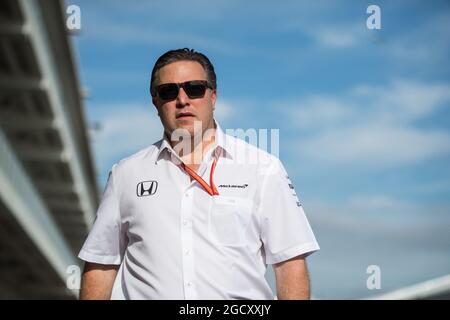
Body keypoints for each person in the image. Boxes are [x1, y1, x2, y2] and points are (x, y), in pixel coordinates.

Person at [78, 48, 319, 300]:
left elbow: (290, 264)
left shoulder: (264, 169)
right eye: (168, 91)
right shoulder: (125, 174)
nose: (182, 100)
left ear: (213, 97)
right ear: (155, 102)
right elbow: (101, 265)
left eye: (194, 88)